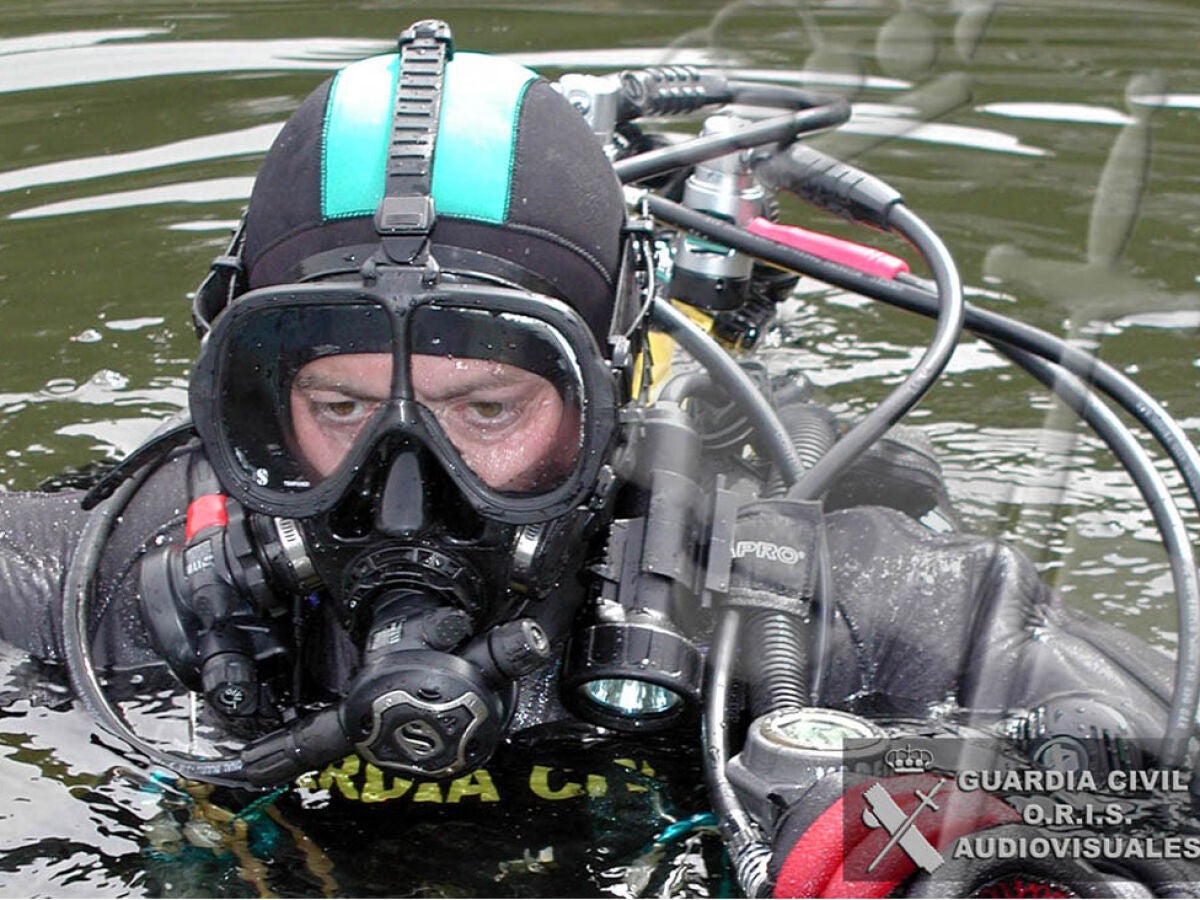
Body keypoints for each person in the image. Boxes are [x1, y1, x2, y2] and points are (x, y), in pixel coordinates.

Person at [0, 17, 1196, 898]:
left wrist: (933, 813)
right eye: (337, 402)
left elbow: (1171, 796)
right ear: (253, 397)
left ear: (604, 395)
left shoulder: (808, 610)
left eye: (486, 409)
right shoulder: (128, 584)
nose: (399, 487)